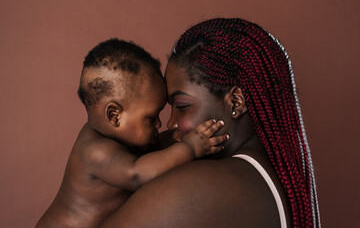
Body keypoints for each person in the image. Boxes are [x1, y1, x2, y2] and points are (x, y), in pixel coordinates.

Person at [100, 18, 321, 228]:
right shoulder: (268, 178)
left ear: (235, 102)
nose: (171, 124)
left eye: (182, 106)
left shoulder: (203, 186)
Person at [35, 38, 229, 228]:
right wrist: (191, 147)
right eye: (152, 118)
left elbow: (158, 155)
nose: (161, 123)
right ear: (114, 116)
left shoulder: (126, 140)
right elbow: (137, 174)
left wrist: (182, 136)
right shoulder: (95, 151)